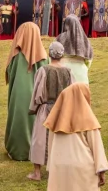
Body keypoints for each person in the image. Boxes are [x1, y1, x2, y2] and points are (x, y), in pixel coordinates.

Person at [44, 83, 108, 190]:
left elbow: (51, 146)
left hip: (59, 166)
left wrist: (51, 167)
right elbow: (97, 147)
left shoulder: (55, 120)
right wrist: (101, 169)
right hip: (82, 167)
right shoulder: (88, 119)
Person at [28, 41, 74, 181]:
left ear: (49, 54)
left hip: (45, 108)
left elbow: (37, 92)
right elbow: (72, 91)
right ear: (62, 55)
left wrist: (34, 108)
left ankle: (37, 173)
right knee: (60, 138)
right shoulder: (68, 71)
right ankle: (59, 171)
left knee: (40, 139)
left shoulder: (43, 70)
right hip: (62, 109)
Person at [5, 22, 48, 161]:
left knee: (18, 120)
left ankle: (17, 150)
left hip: (18, 95)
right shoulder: (43, 56)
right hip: (36, 96)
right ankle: (34, 151)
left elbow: (9, 72)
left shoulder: (15, 56)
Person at [57, 15, 94, 84]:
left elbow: (54, 55)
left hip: (64, 72)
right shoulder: (85, 41)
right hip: (81, 73)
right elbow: (89, 60)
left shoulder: (60, 38)